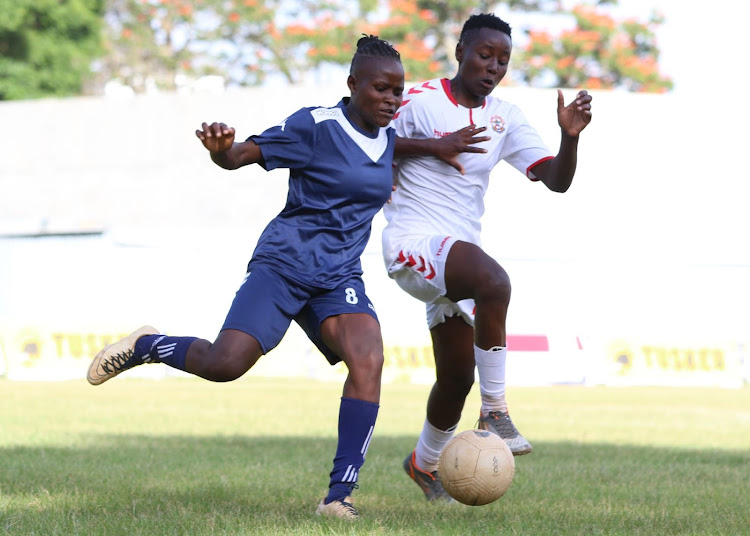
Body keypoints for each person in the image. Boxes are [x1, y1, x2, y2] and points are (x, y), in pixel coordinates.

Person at [86, 35, 405, 521]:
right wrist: (220, 149)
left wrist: (444, 146)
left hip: (338, 275)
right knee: (224, 364)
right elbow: (238, 157)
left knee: (370, 359)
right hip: (283, 265)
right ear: (353, 84)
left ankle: (338, 498)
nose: (391, 99)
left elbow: (404, 145)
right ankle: (147, 346)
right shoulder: (314, 125)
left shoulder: (389, 138)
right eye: (381, 88)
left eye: (398, 91)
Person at [382, 13, 593, 502]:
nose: (494, 66)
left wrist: (571, 137)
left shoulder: (507, 116)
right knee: (495, 282)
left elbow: (555, 179)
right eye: (484, 54)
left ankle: (423, 463)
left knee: (456, 378)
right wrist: (434, 146)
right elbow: (369, 141)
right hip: (412, 244)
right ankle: (495, 410)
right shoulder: (417, 100)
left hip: (457, 257)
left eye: (503, 59)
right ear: (460, 51)